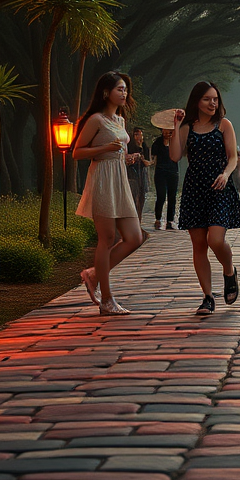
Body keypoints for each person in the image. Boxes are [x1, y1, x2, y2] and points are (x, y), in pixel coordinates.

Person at [72, 72, 148, 315]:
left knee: (134, 237)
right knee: (106, 239)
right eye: (119, 89)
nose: (124, 93)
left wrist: (126, 157)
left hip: (119, 180)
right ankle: (107, 300)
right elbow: (77, 152)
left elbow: (117, 154)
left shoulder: (120, 121)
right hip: (102, 181)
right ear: (106, 92)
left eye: (125, 89)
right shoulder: (96, 119)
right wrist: (106, 147)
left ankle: (94, 274)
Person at [169, 82, 240, 316]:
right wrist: (176, 126)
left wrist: (225, 173)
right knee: (199, 245)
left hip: (219, 187)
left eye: (215, 99)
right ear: (196, 102)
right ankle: (207, 297)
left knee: (215, 239)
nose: (213, 103)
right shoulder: (187, 127)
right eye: (207, 99)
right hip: (194, 189)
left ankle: (229, 270)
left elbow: (232, 157)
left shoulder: (224, 125)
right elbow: (174, 156)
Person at [151, 127, 179, 230]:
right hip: (160, 172)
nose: (167, 133)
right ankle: (158, 219)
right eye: (165, 130)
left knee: (172, 197)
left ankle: (170, 221)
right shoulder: (158, 142)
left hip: (173, 171)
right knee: (161, 195)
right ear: (162, 131)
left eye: (169, 130)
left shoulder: (175, 142)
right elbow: (153, 155)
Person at [126, 126, 151, 220]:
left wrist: (143, 159)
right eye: (136, 134)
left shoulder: (144, 146)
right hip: (132, 173)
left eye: (140, 134)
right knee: (133, 196)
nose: (138, 137)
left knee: (141, 197)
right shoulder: (130, 146)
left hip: (142, 173)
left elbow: (148, 162)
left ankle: (139, 220)